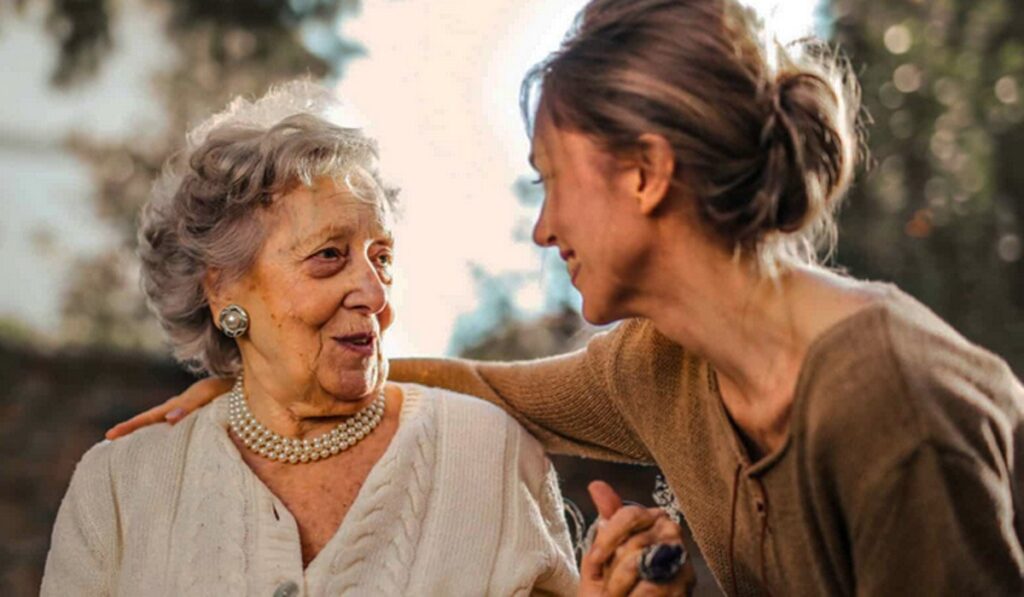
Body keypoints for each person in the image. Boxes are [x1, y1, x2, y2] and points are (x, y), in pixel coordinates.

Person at [109, 0, 1024, 594]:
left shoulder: (889, 402)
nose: (543, 229)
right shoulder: (662, 365)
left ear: (646, 173)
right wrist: (267, 378)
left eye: (551, 181)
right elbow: (487, 388)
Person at [43, 81, 597, 596]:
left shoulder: (489, 455)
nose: (374, 294)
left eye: (382, 258)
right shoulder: (119, 486)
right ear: (223, 288)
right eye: (329, 255)